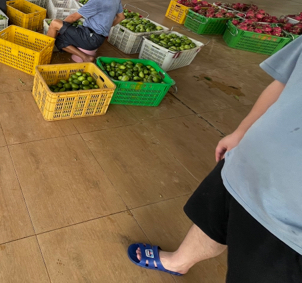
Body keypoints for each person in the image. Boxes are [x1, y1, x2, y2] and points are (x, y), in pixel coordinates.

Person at [127, 36, 302, 282]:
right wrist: (243, 130)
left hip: (291, 221)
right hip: (249, 159)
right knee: (214, 219)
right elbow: (283, 82)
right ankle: (179, 261)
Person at [46, 0, 124, 62]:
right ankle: (85, 57)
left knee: (55, 23)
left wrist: (61, 28)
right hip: (99, 38)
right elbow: (121, 17)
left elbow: (74, 17)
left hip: (90, 38)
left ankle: (45, 51)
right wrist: (105, 28)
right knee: (61, 40)